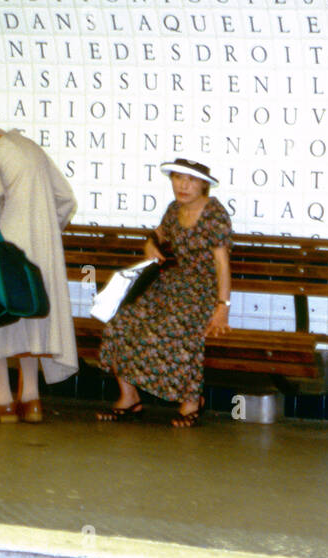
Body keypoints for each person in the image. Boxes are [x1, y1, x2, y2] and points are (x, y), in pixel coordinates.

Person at [96, 157, 232, 427]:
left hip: (202, 291)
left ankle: (192, 401)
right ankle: (129, 398)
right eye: (178, 178)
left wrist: (222, 306)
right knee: (119, 321)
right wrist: (150, 243)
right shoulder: (174, 209)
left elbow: (222, 263)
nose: (183, 185)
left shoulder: (215, 214)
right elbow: (158, 234)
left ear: (204, 185)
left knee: (176, 329)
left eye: (191, 179)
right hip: (172, 284)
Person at [0, 128, 78, 423]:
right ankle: (31, 400)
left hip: (5, 244)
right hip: (40, 251)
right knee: (28, 318)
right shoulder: (32, 148)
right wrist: (46, 229)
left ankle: (2, 400)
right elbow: (66, 199)